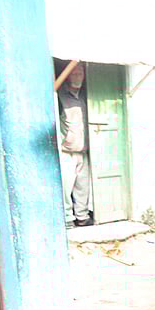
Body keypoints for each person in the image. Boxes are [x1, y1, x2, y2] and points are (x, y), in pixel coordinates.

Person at [56, 62, 93, 227]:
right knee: (66, 188)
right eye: (74, 72)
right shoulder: (60, 96)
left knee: (82, 187)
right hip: (67, 151)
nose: (78, 75)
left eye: (80, 72)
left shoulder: (87, 96)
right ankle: (68, 219)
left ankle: (82, 217)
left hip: (83, 151)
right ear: (67, 75)